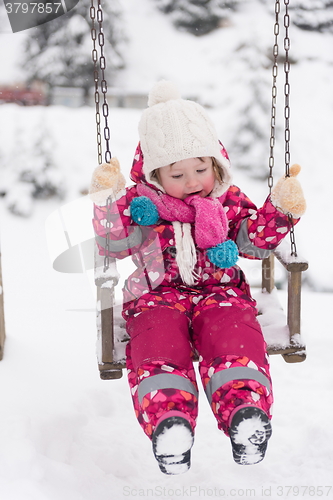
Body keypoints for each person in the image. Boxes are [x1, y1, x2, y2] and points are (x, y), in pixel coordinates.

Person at [89, 80, 306, 475]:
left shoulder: (226, 200)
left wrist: (280, 211)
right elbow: (113, 242)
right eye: (177, 174)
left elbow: (254, 242)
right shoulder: (141, 206)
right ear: (154, 174)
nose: (192, 182)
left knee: (234, 336)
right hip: (156, 295)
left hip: (220, 292)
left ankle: (246, 413)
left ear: (216, 163)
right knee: (157, 343)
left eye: (201, 169)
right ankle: (169, 426)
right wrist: (109, 200)